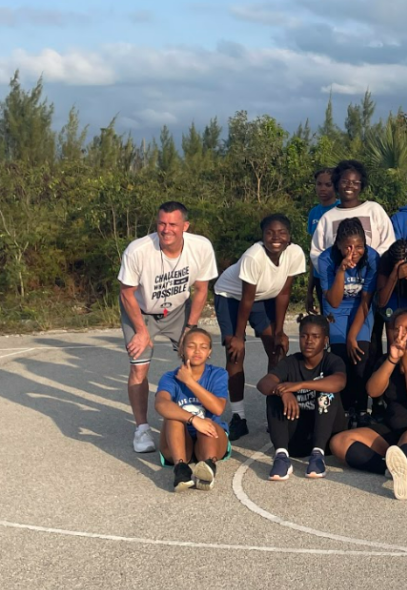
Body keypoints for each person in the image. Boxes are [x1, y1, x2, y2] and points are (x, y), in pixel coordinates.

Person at [118, 201, 218, 453]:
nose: (166, 229)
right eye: (162, 223)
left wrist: (190, 327)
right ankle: (141, 429)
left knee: (193, 359)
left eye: (173, 224)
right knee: (139, 368)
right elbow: (126, 293)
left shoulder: (201, 246)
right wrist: (141, 330)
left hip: (178, 310)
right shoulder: (138, 250)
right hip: (141, 312)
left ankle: (197, 418)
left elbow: (201, 289)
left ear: (185, 226)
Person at [329, 310, 407, 501]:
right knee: (339, 442)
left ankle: (406, 464)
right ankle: (392, 468)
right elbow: (373, 391)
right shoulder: (385, 359)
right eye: (396, 329)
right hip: (392, 429)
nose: (401, 334)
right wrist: (393, 360)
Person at [214, 214, 306, 441]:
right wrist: (237, 336)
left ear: (289, 237)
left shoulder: (294, 253)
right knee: (236, 353)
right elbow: (246, 299)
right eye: (269, 233)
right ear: (262, 236)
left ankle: (273, 412)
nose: (276, 237)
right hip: (231, 297)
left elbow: (284, 293)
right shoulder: (253, 257)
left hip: (264, 298)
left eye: (281, 232)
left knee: (278, 348)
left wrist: (280, 331)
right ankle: (238, 417)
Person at [257, 315, 347, 481]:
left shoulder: (332, 361)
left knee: (327, 392)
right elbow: (263, 383)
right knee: (274, 394)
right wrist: (283, 392)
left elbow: (339, 382)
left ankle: (317, 455)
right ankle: (282, 456)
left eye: (315, 337)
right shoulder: (291, 362)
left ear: (325, 340)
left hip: (326, 436)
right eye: (304, 336)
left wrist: (300, 385)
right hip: (297, 438)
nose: (309, 341)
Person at [320, 218, 379, 425]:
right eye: (348, 247)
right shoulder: (326, 259)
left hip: (360, 308)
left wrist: (353, 336)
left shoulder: (372, 258)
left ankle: (362, 409)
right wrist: (341, 271)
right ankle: (345, 410)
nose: (354, 252)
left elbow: (366, 300)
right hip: (336, 309)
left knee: (360, 356)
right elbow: (334, 302)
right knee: (340, 357)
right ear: (338, 245)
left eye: (360, 246)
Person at [154, 327, 228, 492]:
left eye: (203, 347)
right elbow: (160, 404)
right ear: (182, 349)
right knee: (172, 416)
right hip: (179, 442)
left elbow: (218, 408)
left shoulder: (218, 374)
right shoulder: (169, 377)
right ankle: (181, 469)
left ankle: (208, 466)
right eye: (191, 346)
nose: (197, 351)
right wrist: (194, 420)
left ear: (209, 352)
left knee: (208, 422)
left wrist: (190, 382)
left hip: (210, 440)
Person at [309, 159, 395, 269]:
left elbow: (388, 242)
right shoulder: (328, 218)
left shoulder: (374, 209)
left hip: (373, 279)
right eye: (344, 182)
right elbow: (317, 252)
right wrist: (335, 270)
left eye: (355, 183)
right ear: (337, 184)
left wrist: (371, 265)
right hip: (338, 281)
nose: (350, 186)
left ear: (361, 186)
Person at [305, 167, 339, 314]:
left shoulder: (341, 208)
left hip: (338, 274)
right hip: (320, 276)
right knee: (327, 320)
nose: (322, 188)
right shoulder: (314, 213)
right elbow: (314, 252)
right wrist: (309, 290)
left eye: (328, 185)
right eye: (319, 184)